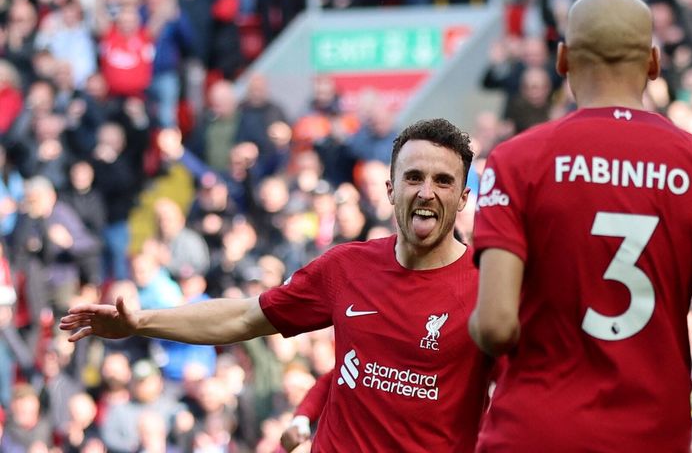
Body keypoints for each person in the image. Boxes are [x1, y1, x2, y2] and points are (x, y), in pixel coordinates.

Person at [61, 118, 493, 451]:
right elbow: (244, 315)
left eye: (443, 181)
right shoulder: (347, 267)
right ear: (390, 189)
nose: (426, 192)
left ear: (463, 198)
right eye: (413, 177)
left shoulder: (491, 286)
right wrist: (140, 322)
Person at [468, 0, 692, 451]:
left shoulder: (518, 160)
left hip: (535, 433)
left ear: (562, 60)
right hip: (652, 435)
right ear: (654, 63)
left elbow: (497, 326)